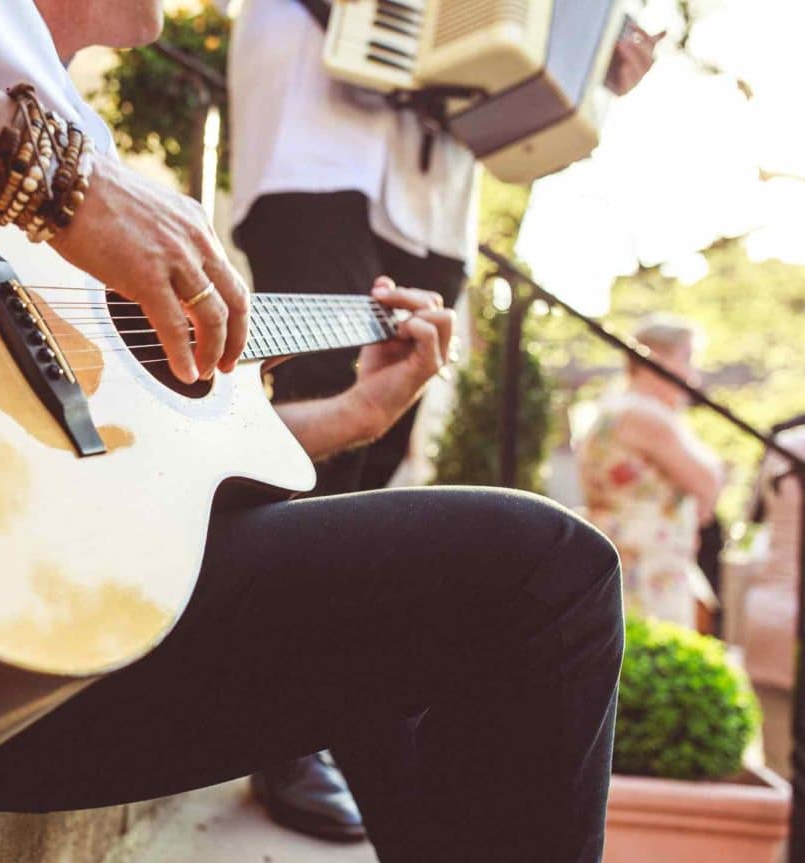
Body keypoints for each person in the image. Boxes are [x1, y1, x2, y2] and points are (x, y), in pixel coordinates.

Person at [0, 3, 624, 861]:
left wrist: (354, 416)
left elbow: (143, 462)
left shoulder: (72, 159)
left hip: (16, 622)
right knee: (546, 570)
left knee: (431, 592)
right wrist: (71, 188)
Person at [225, 0, 662, 837]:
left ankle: (327, 694)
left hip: (438, 179)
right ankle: (282, 712)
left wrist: (595, 68)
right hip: (316, 131)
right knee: (320, 390)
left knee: (388, 423)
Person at [577, 314, 724, 630]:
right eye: (687, 359)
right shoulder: (648, 416)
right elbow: (708, 483)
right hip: (647, 568)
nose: (693, 376)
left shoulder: (611, 410)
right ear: (657, 360)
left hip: (625, 556)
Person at [741, 417, 805, 776]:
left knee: (778, 769)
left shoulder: (784, 443)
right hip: (789, 614)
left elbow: (753, 518)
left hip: (770, 612)